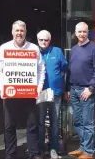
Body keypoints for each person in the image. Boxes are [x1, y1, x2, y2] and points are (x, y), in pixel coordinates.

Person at [0, 20, 45, 159]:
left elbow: (41, 69)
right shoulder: (4, 48)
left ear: (25, 32)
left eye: (22, 30)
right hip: (10, 95)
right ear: (12, 32)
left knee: (32, 125)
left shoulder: (34, 48)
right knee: (9, 126)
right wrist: (2, 87)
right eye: (17, 30)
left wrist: (39, 87)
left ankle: (33, 153)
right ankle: (10, 154)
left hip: (29, 95)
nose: (19, 33)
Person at [65, 22, 95, 159]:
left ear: (88, 32)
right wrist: (68, 88)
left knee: (88, 123)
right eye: (79, 32)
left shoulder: (94, 49)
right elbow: (70, 70)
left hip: (86, 90)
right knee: (78, 122)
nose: (81, 34)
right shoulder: (74, 49)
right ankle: (82, 147)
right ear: (75, 33)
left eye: (84, 32)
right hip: (74, 89)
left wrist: (91, 88)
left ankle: (89, 151)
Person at [36, 30, 68, 159]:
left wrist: (58, 78)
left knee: (55, 122)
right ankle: (41, 149)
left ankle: (54, 148)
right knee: (41, 122)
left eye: (46, 40)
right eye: (41, 40)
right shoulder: (34, 52)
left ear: (50, 40)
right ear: (38, 40)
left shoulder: (57, 51)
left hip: (55, 93)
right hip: (40, 92)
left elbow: (64, 67)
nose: (44, 42)